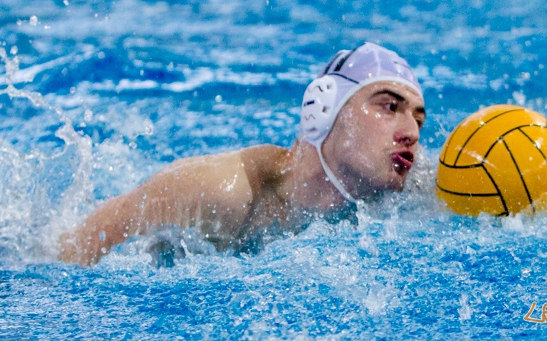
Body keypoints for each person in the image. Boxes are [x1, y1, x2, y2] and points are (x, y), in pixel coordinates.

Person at [57, 43, 426, 266]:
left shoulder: (393, 204)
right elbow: (72, 255)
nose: (410, 132)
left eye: (418, 119)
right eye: (389, 107)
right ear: (324, 108)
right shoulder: (221, 190)